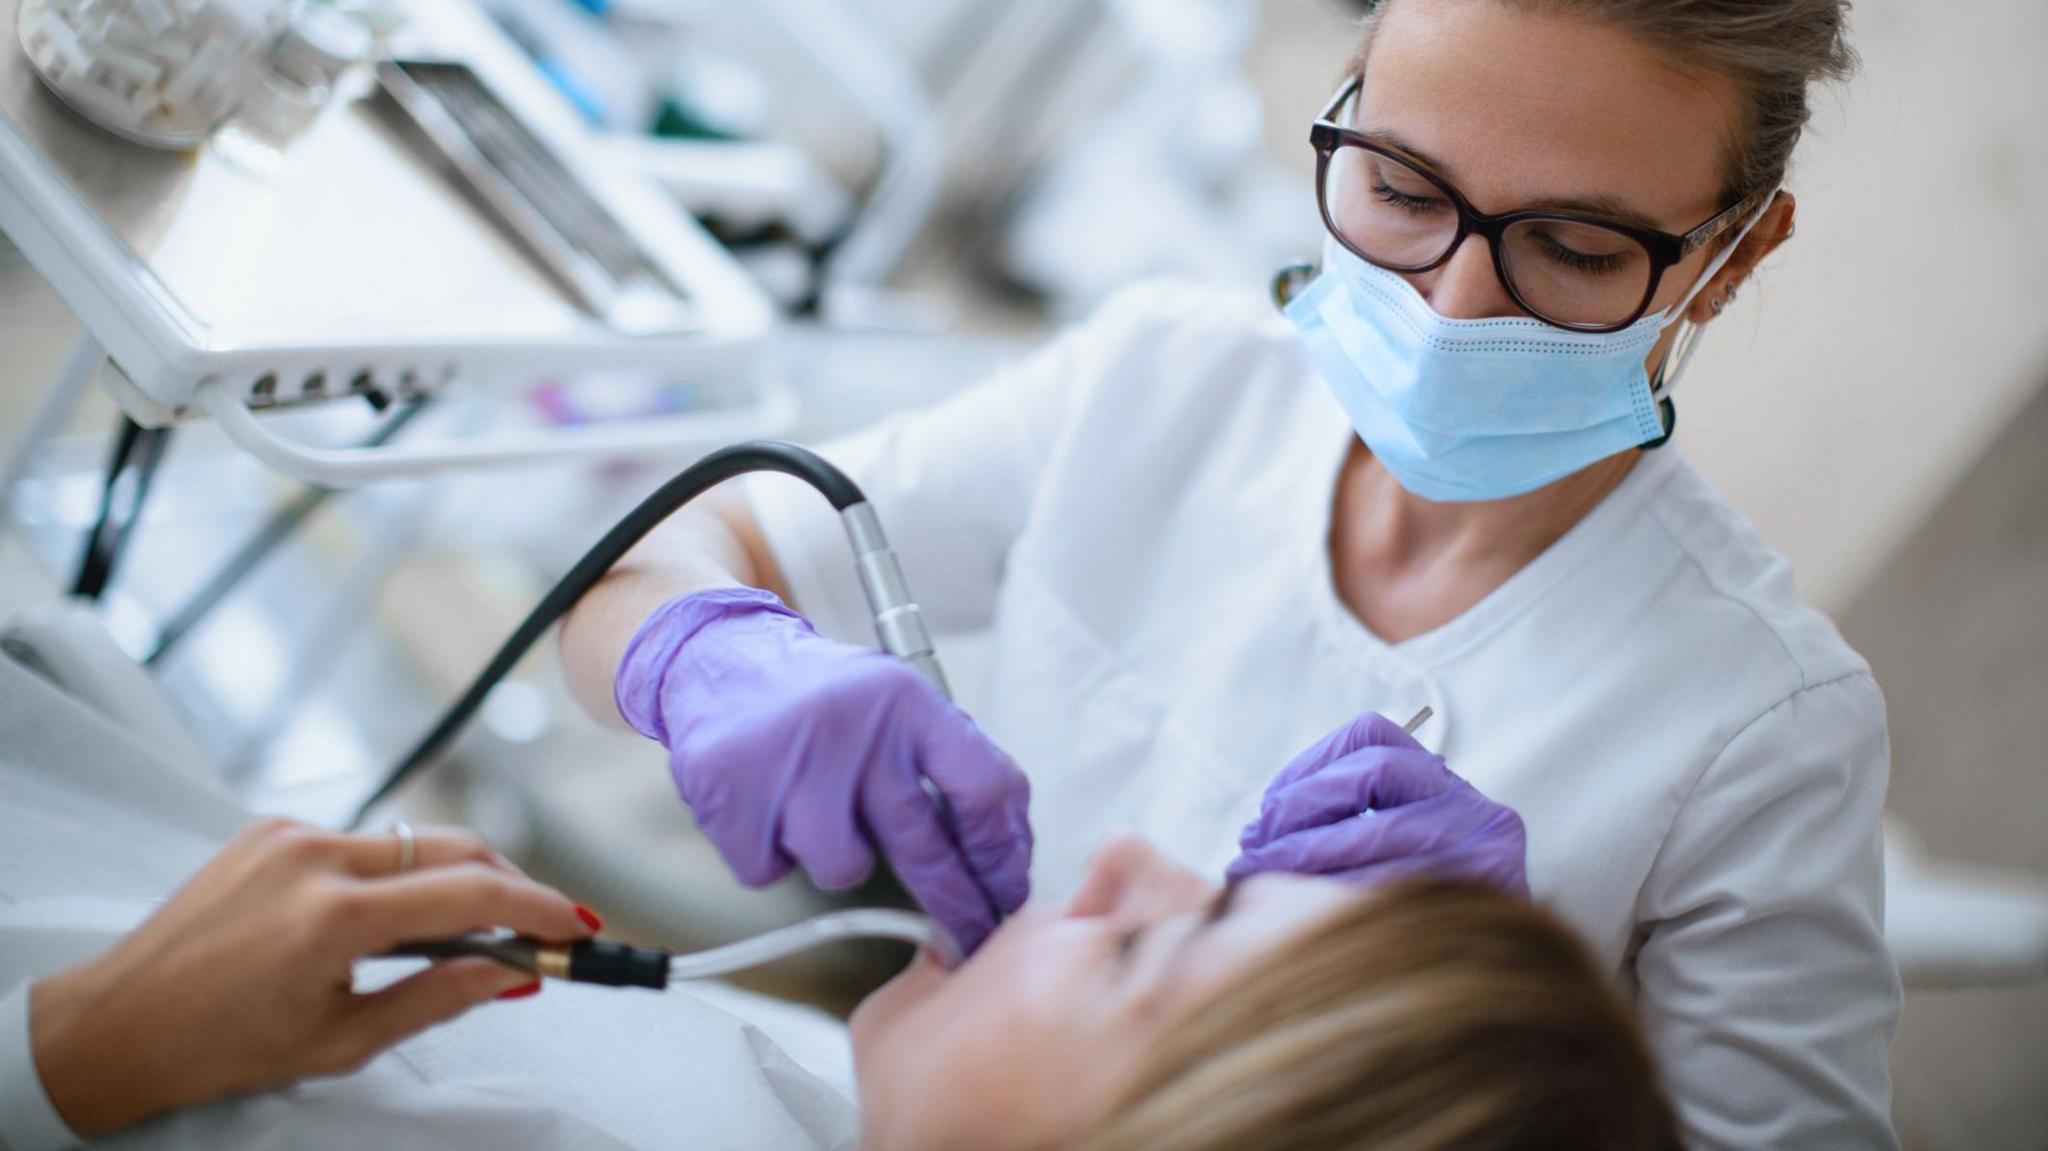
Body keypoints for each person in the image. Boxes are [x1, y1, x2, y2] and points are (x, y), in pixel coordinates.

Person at [558, 0, 1898, 1146]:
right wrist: (700, 650)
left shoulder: (1762, 733)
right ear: (1343, 108)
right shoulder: (1170, 383)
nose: (1450, 308)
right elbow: (682, 546)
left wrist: (1477, 1035)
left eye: (1577, 250)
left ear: (1730, 258)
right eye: (1402, 191)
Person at [0, 631, 1669, 1150]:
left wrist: (76, 1053)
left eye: (1157, 948)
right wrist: (690, 636)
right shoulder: (826, 1096)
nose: (1124, 861)